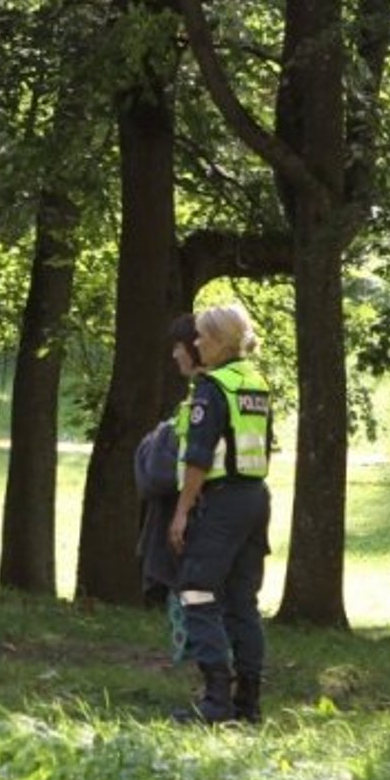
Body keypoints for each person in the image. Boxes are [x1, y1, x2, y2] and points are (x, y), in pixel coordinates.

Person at [168, 304, 274, 725]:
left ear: (221, 342)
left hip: (222, 503)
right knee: (242, 602)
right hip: (255, 498)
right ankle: (248, 704)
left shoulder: (212, 387)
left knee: (197, 590)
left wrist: (181, 512)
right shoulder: (255, 383)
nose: (195, 344)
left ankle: (216, 702)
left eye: (202, 338)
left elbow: (198, 458)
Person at [135, 313, 203, 662]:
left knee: (196, 596)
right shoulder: (195, 401)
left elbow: (162, 470)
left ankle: (199, 669)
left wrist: (153, 443)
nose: (175, 354)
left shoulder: (208, 400)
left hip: (199, 516)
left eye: (179, 346)